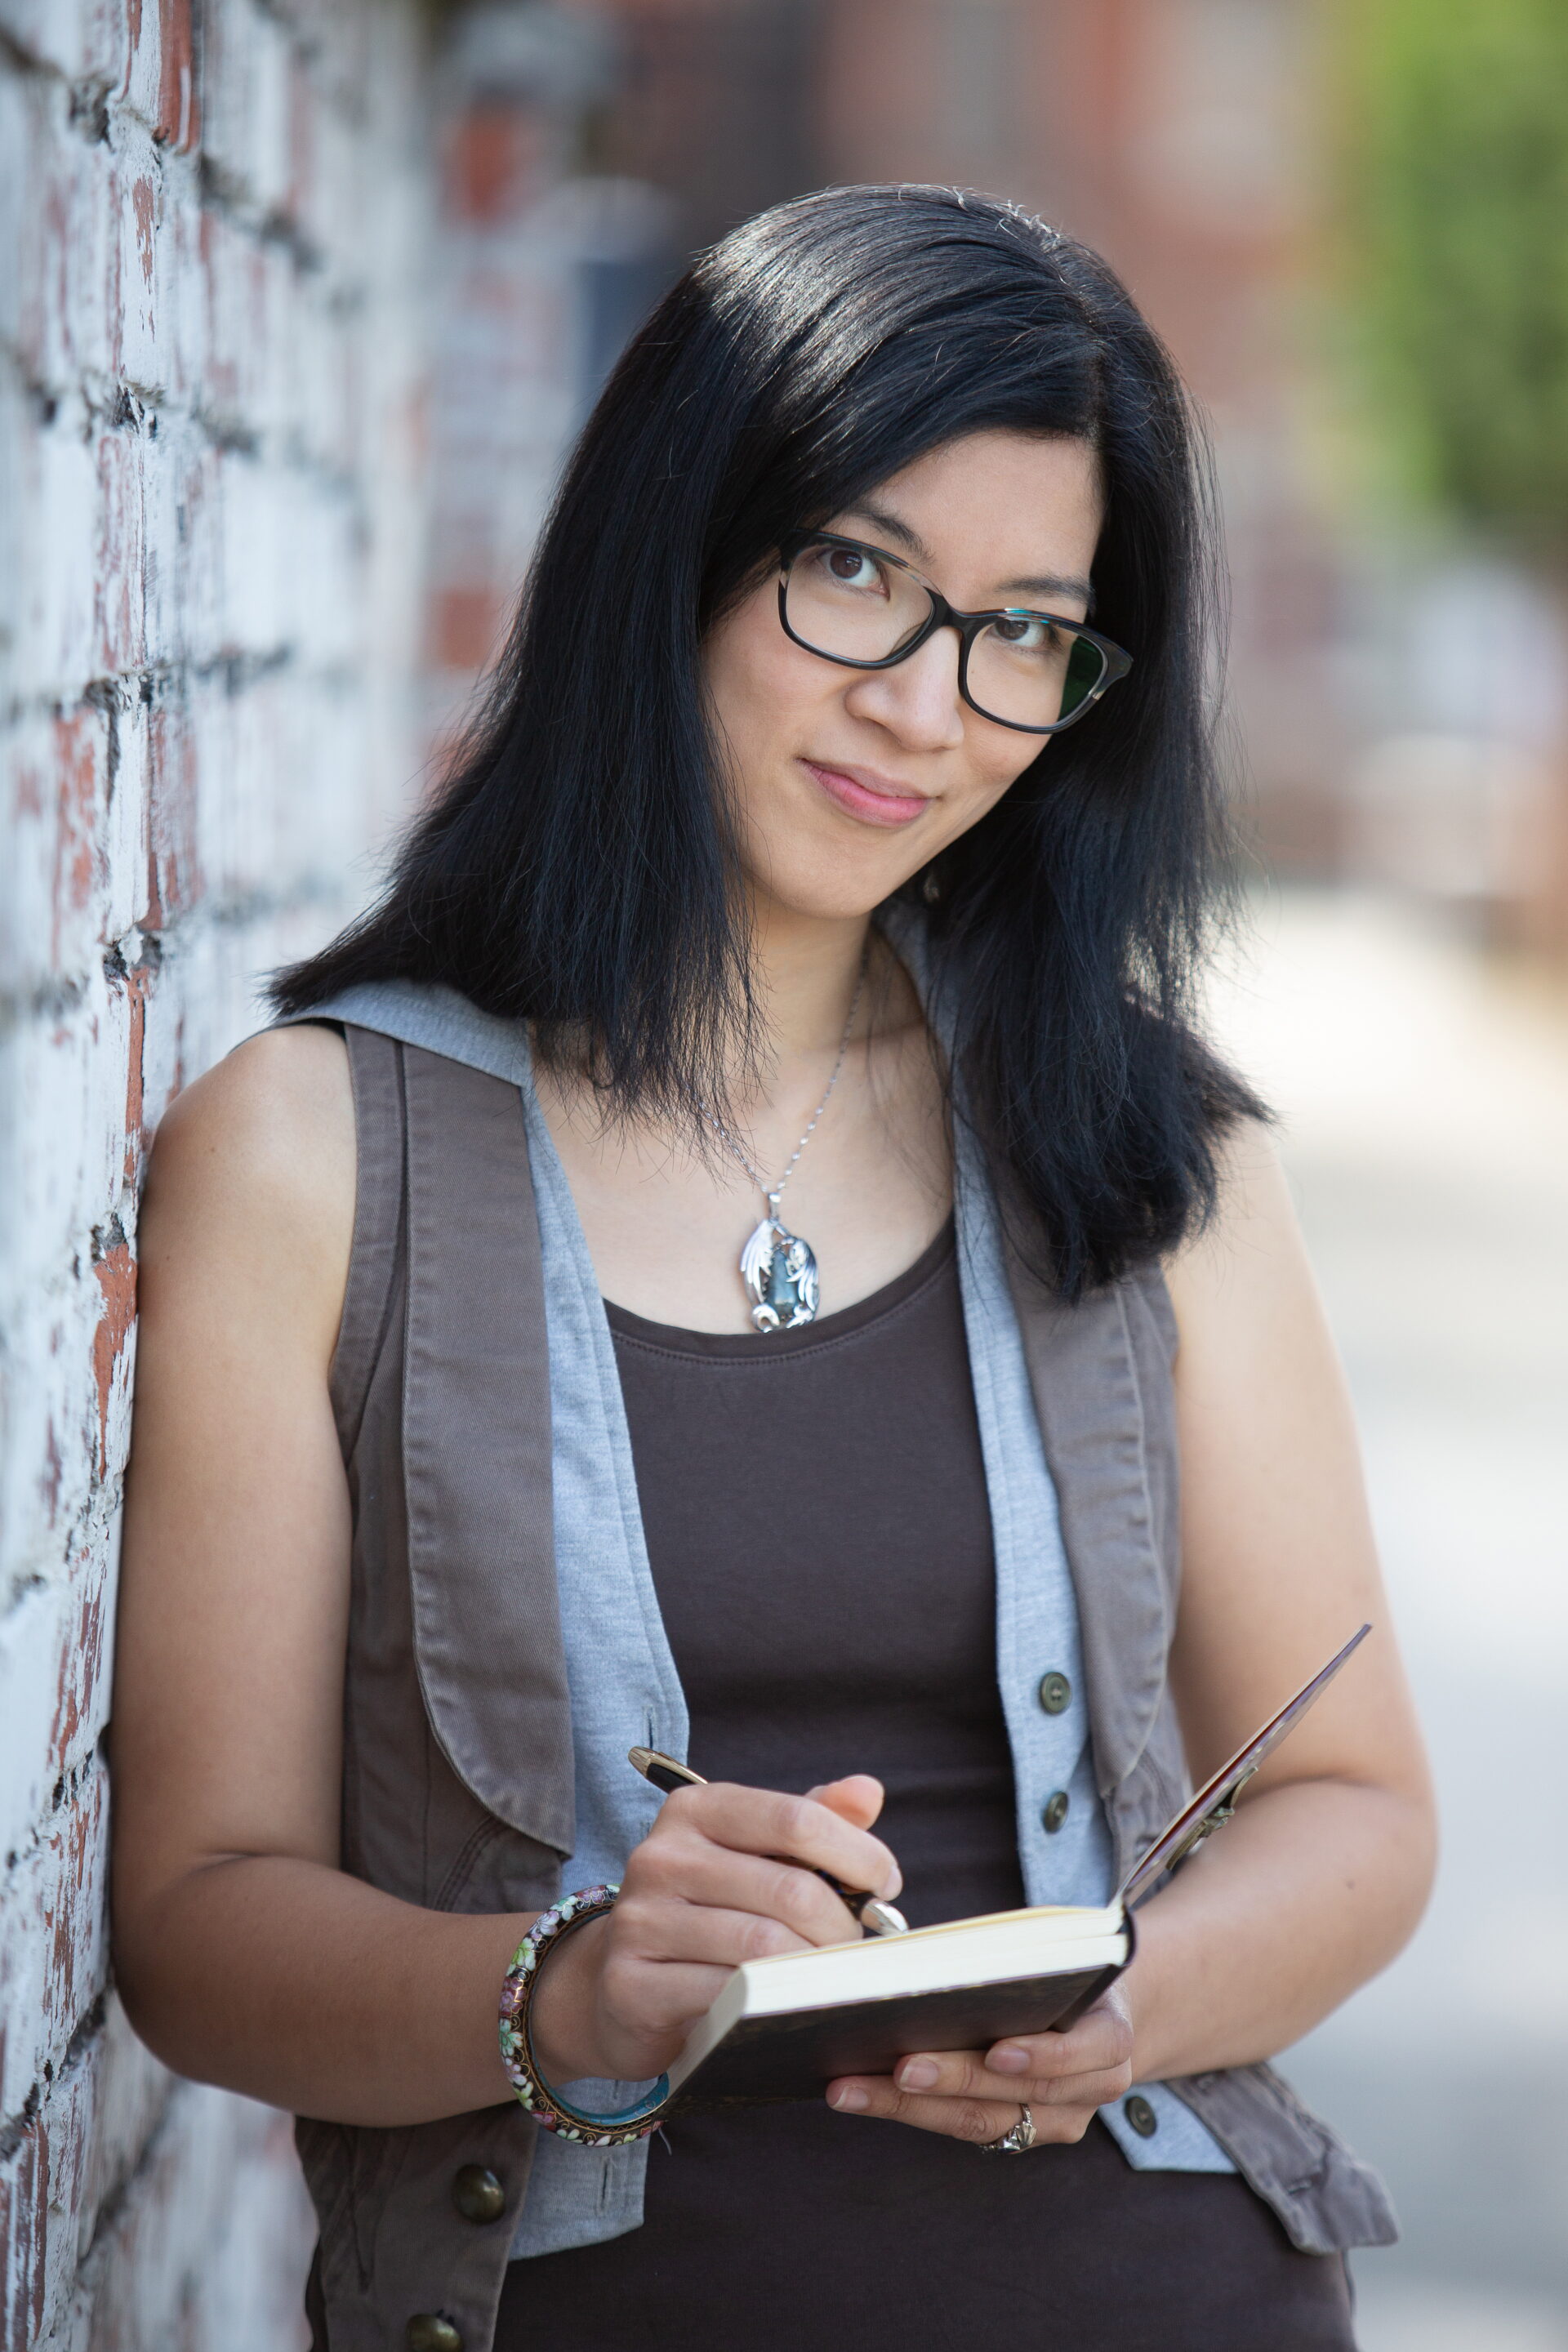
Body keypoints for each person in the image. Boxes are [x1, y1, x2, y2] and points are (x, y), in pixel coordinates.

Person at [111, 185, 1436, 2351]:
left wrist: (1128, 2007)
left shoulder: (1157, 1145)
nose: (930, 708)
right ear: (682, 550)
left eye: (1025, 630)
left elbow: (1356, 1807)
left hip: (1158, 2287)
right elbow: (193, 1926)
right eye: (858, 576)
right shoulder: (313, 1150)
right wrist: (566, 1985)